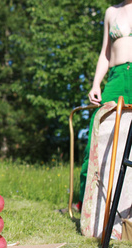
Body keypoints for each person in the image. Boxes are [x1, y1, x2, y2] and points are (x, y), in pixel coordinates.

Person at [78, 0, 132, 210]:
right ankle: (86, 204)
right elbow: (105, 53)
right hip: (116, 77)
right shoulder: (111, 12)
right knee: (97, 133)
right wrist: (95, 84)